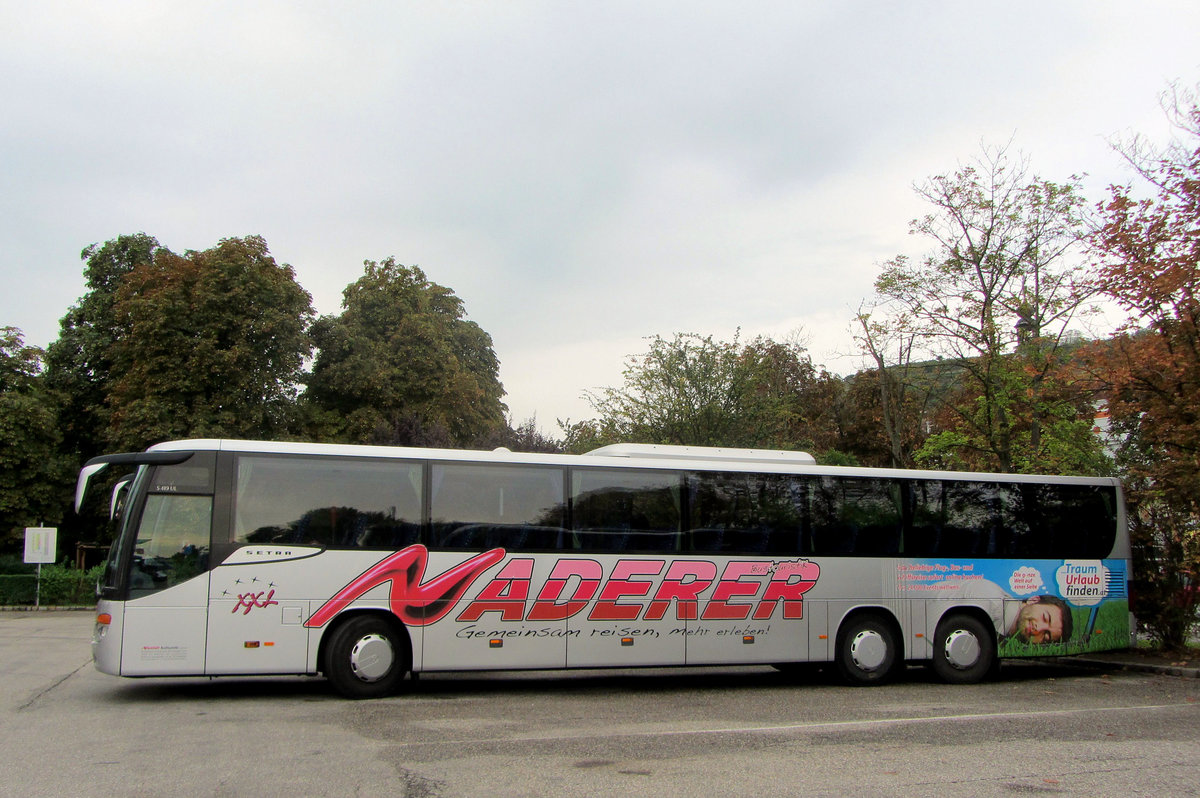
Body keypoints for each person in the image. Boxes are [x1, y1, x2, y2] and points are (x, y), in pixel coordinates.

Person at [1004, 594, 1073, 644]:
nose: (1038, 629)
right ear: (1033, 600)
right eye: (1044, 617)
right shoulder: (996, 610)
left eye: (1046, 637)